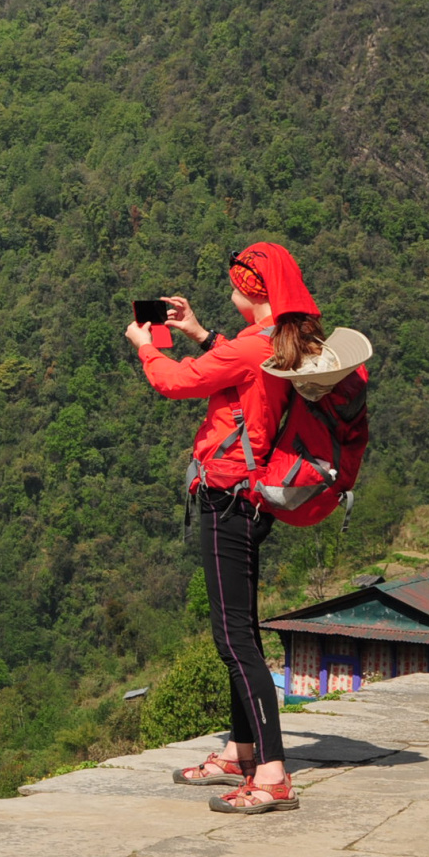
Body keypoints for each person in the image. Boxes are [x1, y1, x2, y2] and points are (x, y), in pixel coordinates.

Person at [124, 241, 325, 815]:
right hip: (255, 494)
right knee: (240, 629)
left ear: (253, 290)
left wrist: (146, 347)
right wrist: (198, 330)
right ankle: (240, 752)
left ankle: (271, 773)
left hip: (228, 496)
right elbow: (242, 374)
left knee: (234, 639)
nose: (230, 289)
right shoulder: (274, 342)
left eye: (237, 282)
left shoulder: (253, 347)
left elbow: (178, 383)